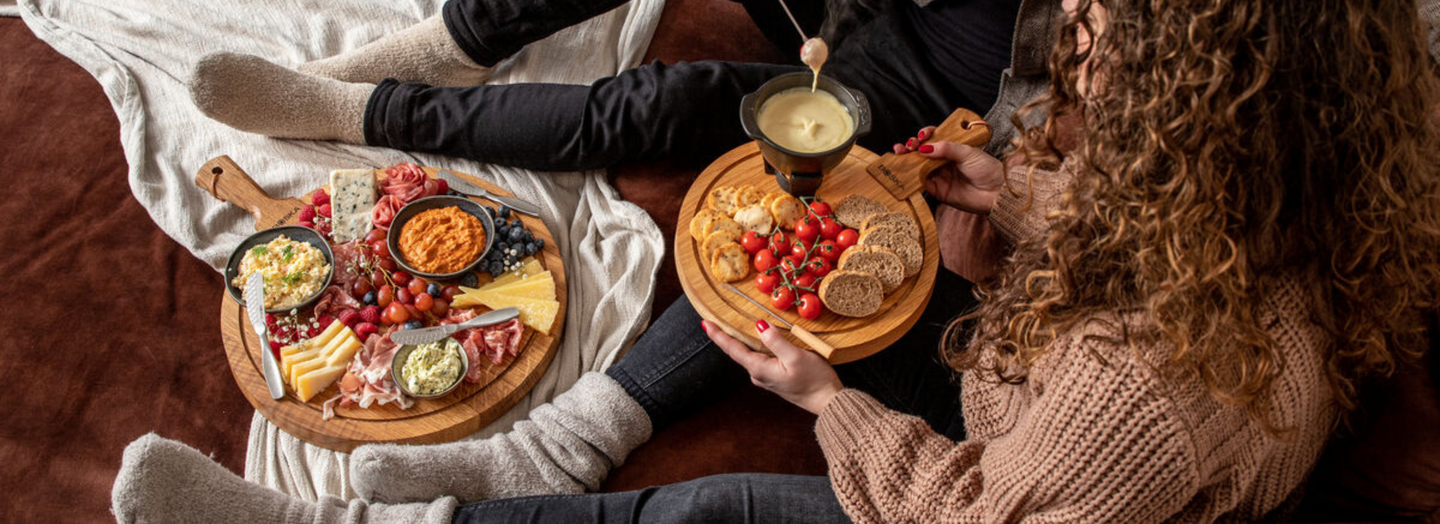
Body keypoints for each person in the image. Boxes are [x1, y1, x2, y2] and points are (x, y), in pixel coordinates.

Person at [112, 0, 1440, 522]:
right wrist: (1017, 221)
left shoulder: (1132, 398)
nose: (1066, 53)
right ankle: (396, 94)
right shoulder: (1255, 207)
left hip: (1030, 487)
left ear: (1173, 110)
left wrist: (830, 404)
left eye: (1089, 43)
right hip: (1071, 409)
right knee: (703, 152)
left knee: (712, 513)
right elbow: (1140, 243)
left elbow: (970, 513)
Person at [187, 0, 1050, 170]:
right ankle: (453, 43)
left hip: (912, 85)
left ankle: (361, 110)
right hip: (847, 10)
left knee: (669, 101)